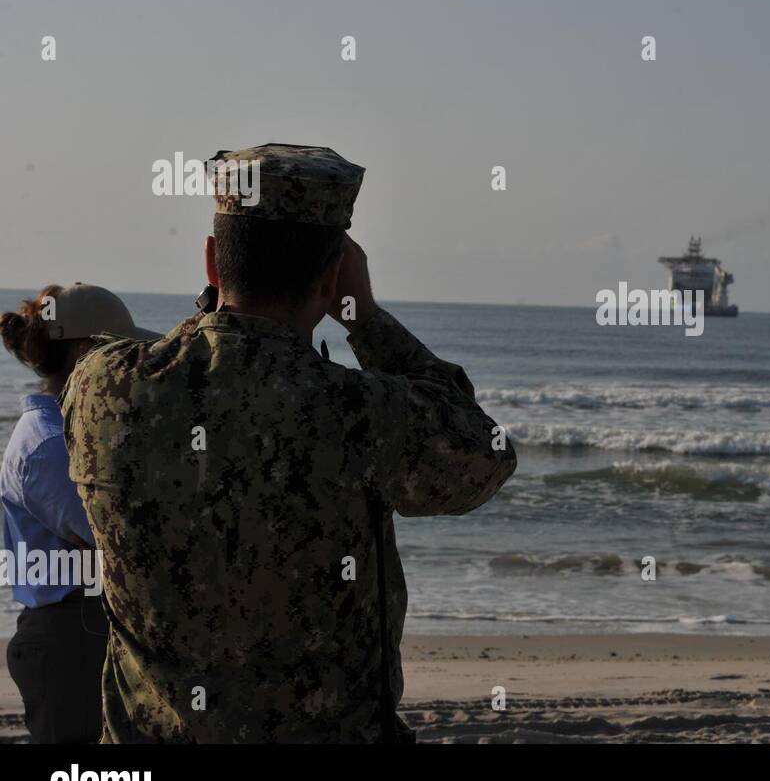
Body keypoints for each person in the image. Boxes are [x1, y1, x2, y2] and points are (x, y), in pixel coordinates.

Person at [62, 143, 516, 743]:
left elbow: (195, 373)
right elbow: (484, 452)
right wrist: (366, 317)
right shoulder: (360, 412)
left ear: (210, 262)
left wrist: (214, 309)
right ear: (331, 280)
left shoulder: (101, 388)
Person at [1, 283, 159, 742]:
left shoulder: (69, 433)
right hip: (68, 638)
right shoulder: (50, 445)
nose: (132, 368)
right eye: (123, 354)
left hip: (82, 630)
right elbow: (116, 539)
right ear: (87, 352)